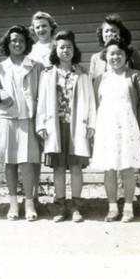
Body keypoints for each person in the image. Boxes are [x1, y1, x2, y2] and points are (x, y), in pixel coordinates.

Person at [37, 30, 96, 223]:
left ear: (74, 49)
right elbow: (42, 101)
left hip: (77, 126)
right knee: (59, 168)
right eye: (61, 47)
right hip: (56, 126)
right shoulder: (48, 74)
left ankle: (76, 206)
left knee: (76, 167)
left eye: (69, 47)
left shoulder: (82, 73)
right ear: (56, 49)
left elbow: (90, 101)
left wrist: (91, 124)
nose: (65, 50)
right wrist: (42, 124)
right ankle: (60, 205)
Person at [91, 38, 140, 223]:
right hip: (106, 128)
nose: (115, 57)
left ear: (126, 56)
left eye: (119, 53)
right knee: (109, 169)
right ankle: (112, 208)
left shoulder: (135, 75)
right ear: (105, 56)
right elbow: (94, 103)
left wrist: (130, 118)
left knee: (126, 168)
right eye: (111, 53)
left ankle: (128, 208)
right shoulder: (100, 79)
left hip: (127, 128)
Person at [0, 25, 44, 221]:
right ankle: (13, 205)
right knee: (10, 163)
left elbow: (42, 95)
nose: (18, 44)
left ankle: (29, 205)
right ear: (7, 43)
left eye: (21, 40)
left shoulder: (36, 66)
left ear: (26, 43)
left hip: (28, 119)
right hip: (7, 120)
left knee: (27, 163)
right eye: (14, 41)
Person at [28, 11, 58, 205]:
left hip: (56, 100)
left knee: (55, 149)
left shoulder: (58, 46)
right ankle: (34, 195)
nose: (41, 30)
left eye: (44, 26)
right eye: (37, 27)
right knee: (35, 150)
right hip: (37, 99)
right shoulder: (30, 50)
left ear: (51, 27)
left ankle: (59, 194)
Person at [89, 13, 140, 79]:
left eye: (113, 31)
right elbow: (92, 82)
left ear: (121, 33)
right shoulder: (95, 58)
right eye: (106, 31)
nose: (109, 34)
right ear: (101, 34)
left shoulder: (131, 53)